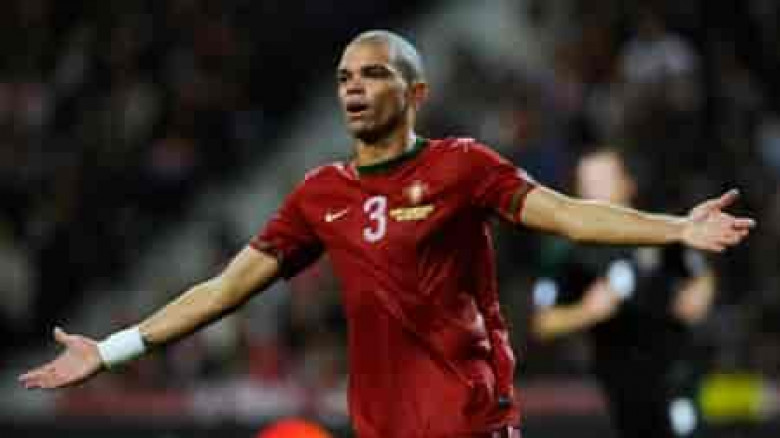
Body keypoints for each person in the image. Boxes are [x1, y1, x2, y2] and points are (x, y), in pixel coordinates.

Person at [19, 30, 754, 438]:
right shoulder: (318, 195)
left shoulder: (462, 166)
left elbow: (567, 214)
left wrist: (676, 230)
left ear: (416, 93)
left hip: (472, 427)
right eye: (344, 76)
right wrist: (110, 350)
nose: (352, 87)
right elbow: (223, 290)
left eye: (372, 74)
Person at [531, 147, 717, 437]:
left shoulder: (662, 230)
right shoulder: (569, 253)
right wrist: (586, 311)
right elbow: (542, 323)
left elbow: (700, 273)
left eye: (602, 181)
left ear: (627, 183)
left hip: (675, 376)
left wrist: (700, 293)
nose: (594, 191)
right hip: (617, 389)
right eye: (587, 183)